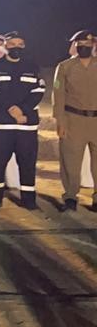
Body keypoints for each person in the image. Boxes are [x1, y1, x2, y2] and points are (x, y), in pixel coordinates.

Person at [0, 33, 45, 210]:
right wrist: (13, 110)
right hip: (1, 125)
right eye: (12, 44)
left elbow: (38, 91)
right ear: (5, 45)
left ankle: (29, 200)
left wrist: (23, 110)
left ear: (24, 46)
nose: (16, 47)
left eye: (20, 44)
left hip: (26, 126)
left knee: (27, 164)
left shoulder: (32, 66)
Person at [54, 30, 97, 212]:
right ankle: (70, 196)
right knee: (70, 161)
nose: (84, 47)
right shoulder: (65, 67)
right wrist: (60, 121)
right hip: (73, 120)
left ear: (93, 45)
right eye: (80, 44)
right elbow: (58, 94)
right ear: (75, 46)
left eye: (87, 44)